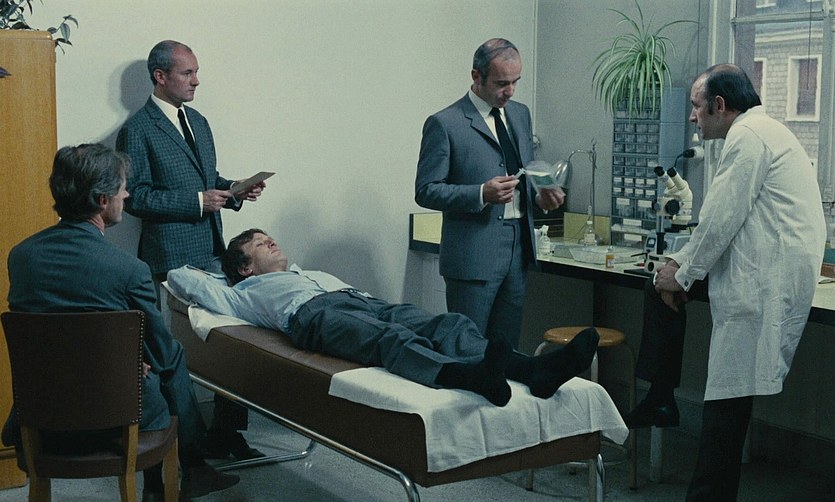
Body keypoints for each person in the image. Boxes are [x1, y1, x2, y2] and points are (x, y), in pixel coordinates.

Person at [622, 64, 826, 501]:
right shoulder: (760, 132)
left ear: (719, 105)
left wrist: (681, 273)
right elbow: (720, 221)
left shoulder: (749, 137)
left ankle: (668, 410)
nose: (692, 116)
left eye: (696, 107)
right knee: (659, 287)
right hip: (760, 268)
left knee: (725, 410)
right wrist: (677, 270)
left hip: (763, 281)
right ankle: (661, 395)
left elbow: (720, 219)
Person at [4, 144, 240, 501]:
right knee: (170, 357)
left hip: (40, 417)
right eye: (123, 188)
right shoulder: (130, 269)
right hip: (117, 417)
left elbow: (48, 335)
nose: (127, 195)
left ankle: (183, 474)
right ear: (102, 200)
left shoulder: (21, 257)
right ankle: (189, 468)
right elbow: (162, 354)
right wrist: (131, 362)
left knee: (149, 363)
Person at [167, 229, 600, 407]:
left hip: (358, 299)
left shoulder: (305, 271)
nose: (273, 243)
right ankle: (466, 376)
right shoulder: (241, 294)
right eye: (262, 244)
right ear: (245, 267)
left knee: (446, 324)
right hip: (314, 317)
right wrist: (222, 265)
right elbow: (179, 276)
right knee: (389, 338)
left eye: (270, 237)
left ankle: (535, 370)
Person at [116, 39, 266, 461]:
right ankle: (184, 448)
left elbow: (206, 178)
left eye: (196, 72)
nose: (196, 81)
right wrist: (198, 202)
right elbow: (135, 197)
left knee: (231, 340)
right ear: (160, 76)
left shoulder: (197, 121)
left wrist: (235, 190)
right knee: (174, 351)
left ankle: (227, 434)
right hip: (169, 258)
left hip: (212, 251)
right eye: (188, 73)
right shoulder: (137, 129)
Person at [414, 38, 564, 348]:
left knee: (506, 349)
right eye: (501, 83)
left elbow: (522, 173)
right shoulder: (445, 123)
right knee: (467, 348)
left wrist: (540, 198)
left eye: (516, 81)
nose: (510, 91)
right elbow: (426, 191)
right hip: (473, 255)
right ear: (476, 76)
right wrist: (481, 193)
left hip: (518, 250)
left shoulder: (520, 114)